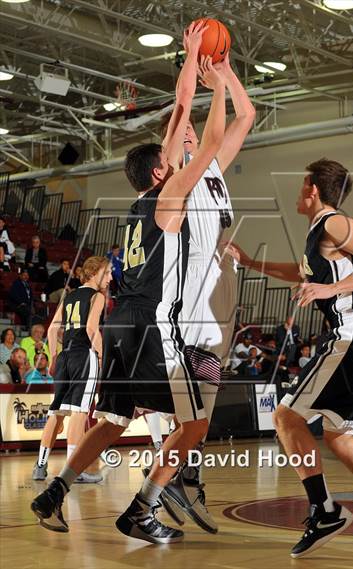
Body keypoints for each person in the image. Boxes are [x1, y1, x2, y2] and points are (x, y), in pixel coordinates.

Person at [31, 50, 226, 544]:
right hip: (152, 326)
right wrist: (219, 84)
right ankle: (144, 506)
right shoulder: (171, 194)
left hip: (122, 321)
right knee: (196, 422)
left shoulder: (137, 205)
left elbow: (180, 110)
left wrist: (189, 67)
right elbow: (211, 140)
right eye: (170, 159)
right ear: (162, 172)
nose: (177, 155)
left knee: (114, 419)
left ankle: (55, 490)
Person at [225, 158, 353, 557]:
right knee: (339, 436)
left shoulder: (335, 223)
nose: (299, 192)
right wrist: (249, 263)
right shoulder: (319, 235)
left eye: (301, 186)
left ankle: (325, 510)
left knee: (285, 417)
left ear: (313, 189)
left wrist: (332, 291)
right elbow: (301, 275)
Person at [155, 32, 254, 530]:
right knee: (186, 405)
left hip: (211, 293)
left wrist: (227, 69)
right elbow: (182, 104)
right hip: (184, 296)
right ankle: (175, 480)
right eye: (184, 135)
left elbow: (247, 116)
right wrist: (195, 59)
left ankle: (186, 477)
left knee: (205, 399)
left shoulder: (213, 166)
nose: (190, 134)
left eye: (195, 133)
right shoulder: (178, 167)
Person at [31, 256, 112, 484]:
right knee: (79, 413)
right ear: (94, 273)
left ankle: (40, 465)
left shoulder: (69, 296)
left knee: (56, 412)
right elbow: (91, 329)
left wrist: (55, 356)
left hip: (65, 356)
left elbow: (53, 328)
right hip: (83, 356)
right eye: (107, 273)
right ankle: (72, 471)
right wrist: (104, 356)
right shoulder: (97, 296)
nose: (110, 277)